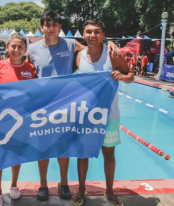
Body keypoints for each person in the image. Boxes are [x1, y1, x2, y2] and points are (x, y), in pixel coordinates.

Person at [26, 10, 120, 201]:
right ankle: (43, 184)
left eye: (55, 24)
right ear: (42, 27)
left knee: (64, 146)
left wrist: (110, 42)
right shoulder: (33, 49)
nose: (51, 28)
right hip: (43, 107)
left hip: (66, 106)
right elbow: (27, 74)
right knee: (42, 147)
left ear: (60, 27)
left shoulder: (69, 44)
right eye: (47, 24)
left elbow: (90, 47)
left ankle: (64, 183)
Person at [71, 19, 134, 206]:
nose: (93, 35)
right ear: (83, 34)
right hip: (85, 115)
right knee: (82, 154)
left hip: (109, 114)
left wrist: (123, 77)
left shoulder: (112, 55)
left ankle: (109, 191)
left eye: (97, 32)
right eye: (89, 32)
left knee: (109, 155)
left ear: (103, 35)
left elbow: (130, 75)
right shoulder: (78, 56)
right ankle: (82, 190)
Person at [0, 33, 37, 206]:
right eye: (13, 46)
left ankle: (14, 185)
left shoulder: (30, 69)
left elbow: (36, 93)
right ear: (8, 47)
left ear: (25, 50)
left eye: (20, 47)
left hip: (20, 120)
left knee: (17, 153)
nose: (16, 50)